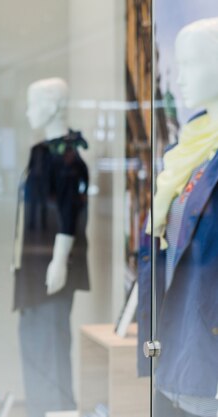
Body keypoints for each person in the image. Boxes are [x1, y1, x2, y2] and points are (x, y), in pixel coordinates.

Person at [137, 17, 218, 417]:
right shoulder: (191, 144)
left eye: (193, 63)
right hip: (175, 350)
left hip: (208, 363)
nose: (179, 77)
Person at [12, 77, 89, 417]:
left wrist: (59, 260)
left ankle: (58, 409)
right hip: (32, 265)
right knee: (32, 339)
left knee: (51, 343)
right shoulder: (43, 155)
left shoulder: (68, 161)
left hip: (50, 269)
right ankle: (42, 407)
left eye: (34, 103)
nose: (28, 111)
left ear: (55, 105)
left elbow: (69, 213)